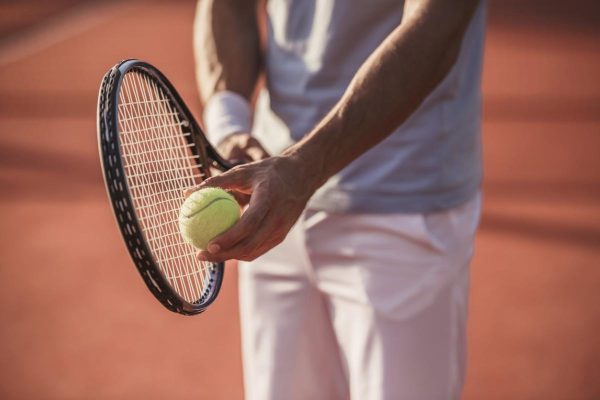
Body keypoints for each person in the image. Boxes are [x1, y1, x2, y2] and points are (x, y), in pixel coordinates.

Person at [192, 0, 485, 398]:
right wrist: (228, 128)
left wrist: (303, 168)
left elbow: (436, 26)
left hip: (399, 204)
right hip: (270, 194)